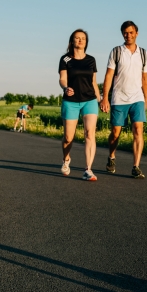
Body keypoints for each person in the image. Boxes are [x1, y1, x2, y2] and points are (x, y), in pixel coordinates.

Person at [100, 21, 147, 179]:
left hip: (137, 97)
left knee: (138, 130)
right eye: (125, 33)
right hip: (119, 98)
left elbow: (144, 77)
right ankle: (112, 156)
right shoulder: (116, 52)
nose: (128, 35)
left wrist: (146, 97)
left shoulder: (143, 53)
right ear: (122, 34)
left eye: (131, 32)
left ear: (137, 33)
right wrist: (105, 98)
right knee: (115, 133)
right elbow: (108, 75)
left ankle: (136, 166)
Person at [59, 29, 101, 181]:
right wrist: (65, 88)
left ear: (86, 42)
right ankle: (66, 159)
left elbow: (94, 82)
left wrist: (101, 99)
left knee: (90, 134)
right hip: (71, 102)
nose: (80, 40)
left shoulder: (91, 60)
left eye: (83, 38)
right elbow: (62, 79)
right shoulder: (65, 60)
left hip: (89, 100)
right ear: (72, 41)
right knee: (68, 138)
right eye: (77, 38)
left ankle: (88, 169)